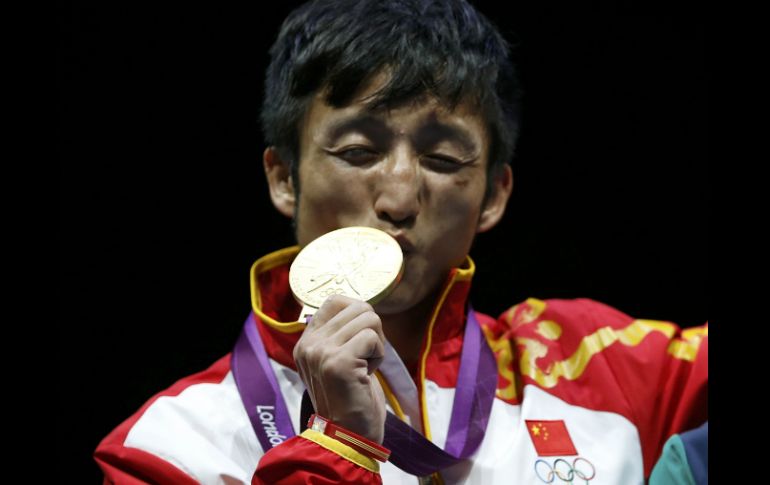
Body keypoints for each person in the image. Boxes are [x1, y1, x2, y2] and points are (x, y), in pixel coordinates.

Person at [94, 0, 708, 483]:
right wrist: (337, 449)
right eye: (358, 151)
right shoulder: (169, 448)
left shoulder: (609, 367)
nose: (399, 198)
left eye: (442, 159)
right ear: (284, 177)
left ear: (494, 195)